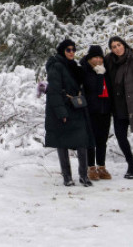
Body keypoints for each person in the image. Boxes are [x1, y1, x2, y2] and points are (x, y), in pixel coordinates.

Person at [44, 38, 96, 188]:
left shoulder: (74, 66)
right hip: (64, 108)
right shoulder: (56, 66)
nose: (72, 52)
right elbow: (53, 92)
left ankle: (83, 176)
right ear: (62, 51)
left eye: (73, 49)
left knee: (82, 141)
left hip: (77, 108)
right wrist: (61, 112)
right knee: (63, 143)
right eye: (68, 50)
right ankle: (67, 176)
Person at [106, 35, 133, 179]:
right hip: (118, 106)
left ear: (124, 45)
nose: (117, 49)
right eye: (114, 47)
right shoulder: (109, 62)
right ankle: (131, 163)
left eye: (119, 45)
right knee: (120, 136)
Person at [81, 45, 114, 180]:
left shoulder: (105, 70)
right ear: (90, 58)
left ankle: (101, 166)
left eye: (100, 57)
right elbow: (96, 89)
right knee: (91, 140)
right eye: (96, 57)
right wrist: (100, 74)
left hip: (105, 109)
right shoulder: (85, 70)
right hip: (91, 110)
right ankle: (91, 167)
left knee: (102, 139)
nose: (99, 60)